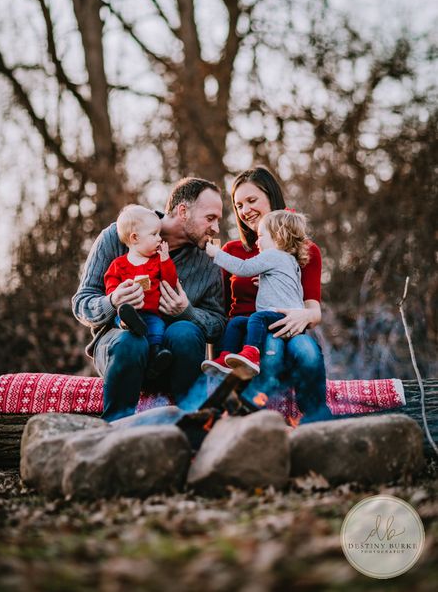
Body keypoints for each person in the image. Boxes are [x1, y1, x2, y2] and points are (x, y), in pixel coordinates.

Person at [72, 177, 226, 422]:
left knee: (185, 331)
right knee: (131, 341)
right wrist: (112, 301)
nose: (216, 228)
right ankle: (114, 429)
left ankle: (190, 426)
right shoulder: (118, 235)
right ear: (182, 211)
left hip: (174, 358)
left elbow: (218, 324)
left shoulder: (207, 261)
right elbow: (82, 303)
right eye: (210, 218)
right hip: (122, 350)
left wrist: (187, 311)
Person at [202, 166, 331, 422]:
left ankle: (317, 416)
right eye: (239, 205)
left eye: (252, 200)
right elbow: (219, 309)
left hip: (286, 326)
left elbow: (313, 310)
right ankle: (251, 410)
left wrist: (302, 317)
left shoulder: (304, 251)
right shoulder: (232, 251)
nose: (245, 210)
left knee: (307, 349)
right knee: (268, 351)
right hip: (245, 338)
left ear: (271, 197)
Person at [204, 210, 309, 377]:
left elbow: (242, 268)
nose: (257, 241)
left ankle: (252, 354)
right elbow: (294, 289)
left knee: (256, 317)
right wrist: (267, 283)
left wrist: (216, 253)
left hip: (281, 318)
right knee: (237, 322)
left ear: (278, 236)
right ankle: (225, 358)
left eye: (261, 236)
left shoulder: (272, 255)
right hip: (288, 319)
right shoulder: (290, 260)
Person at [104, 204, 178, 380]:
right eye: (154, 234)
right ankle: (128, 324)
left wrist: (166, 259)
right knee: (122, 315)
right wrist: (116, 294)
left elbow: (170, 281)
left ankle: (156, 353)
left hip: (151, 312)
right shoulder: (119, 264)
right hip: (129, 310)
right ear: (135, 237)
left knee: (157, 328)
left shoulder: (156, 261)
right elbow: (111, 283)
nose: (160, 239)